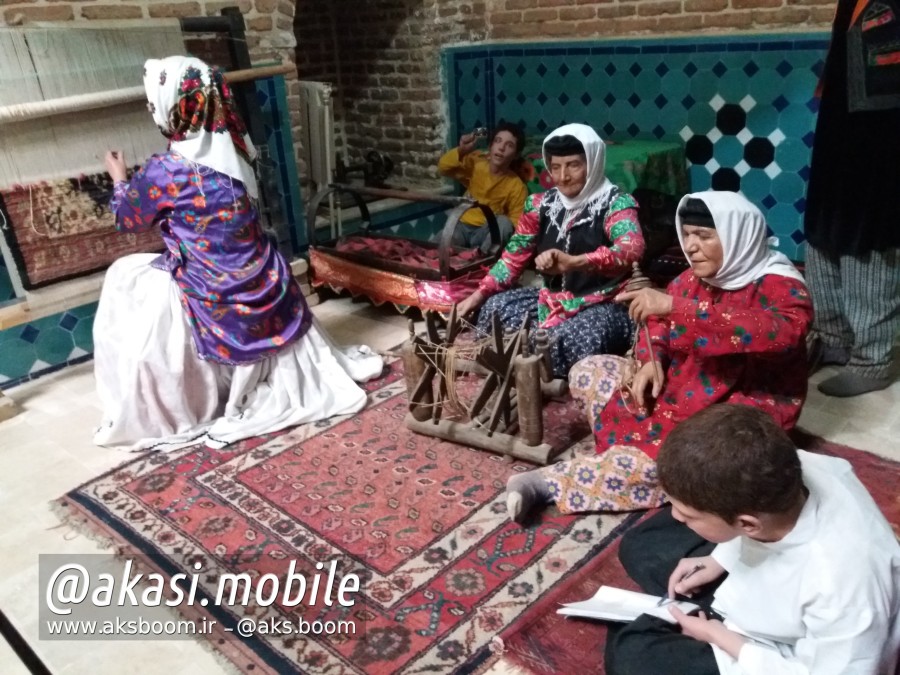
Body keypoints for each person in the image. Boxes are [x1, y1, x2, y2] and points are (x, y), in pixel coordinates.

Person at [93, 56, 383, 451]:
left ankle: (176, 394)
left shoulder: (166, 170)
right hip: (263, 278)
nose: (151, 108)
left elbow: (127, 219)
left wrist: (120, 179)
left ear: (177, 106)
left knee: (124, 277)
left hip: (211, 291)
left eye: (153, 101)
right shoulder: (236, 152)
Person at [505, 191, 812, 520]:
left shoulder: (783, 289)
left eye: (704, 236)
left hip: (735, 421)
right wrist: (652, 359)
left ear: (739, 237)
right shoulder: (695, 277)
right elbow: (658, 323)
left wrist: (675, 306)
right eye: (688, 234)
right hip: (681, 392)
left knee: (680, 468)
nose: (691, 246)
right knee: (588, 371)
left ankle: (548, 484)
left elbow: (779, 334)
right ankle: (625, 454)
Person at [606, 404, 900, 675]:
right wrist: (718, 559)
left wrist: (721, 638)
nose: (677, 517)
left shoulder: (842, 588)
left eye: (687, 514)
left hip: (782, 652)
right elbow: (753, 519)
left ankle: (695, 623)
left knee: (632, 654)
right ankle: (691, 614)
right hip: (761, 571)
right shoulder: (785, 467)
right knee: (642, 543)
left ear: (747, 524)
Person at [455, 123, 644, 377]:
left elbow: (631, 249)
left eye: (574, 165)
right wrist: (477, 296)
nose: (563, 176)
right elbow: (513, 256)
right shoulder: (540, 205)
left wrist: (575, 262)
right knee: (494, 310)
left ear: (593, 163)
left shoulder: (616, 204)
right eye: (555, 167)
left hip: (604, 302)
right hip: (552, 300)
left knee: (579, 336)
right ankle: (529, 360)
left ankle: (532, 366)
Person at [803, 0, 900, 397]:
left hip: (885, 125)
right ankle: (834, 337)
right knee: (824, 223)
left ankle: (872, 358)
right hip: (843, 120)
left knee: (868, 232)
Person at [437, 122, 528, 254]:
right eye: (498, 141)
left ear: (516, 155)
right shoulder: (476, 163)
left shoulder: (516, 186)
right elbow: (443, 168)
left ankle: (481, 262)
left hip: (486, 231)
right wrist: (462, 150)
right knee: (434, 251)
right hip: (461, 225)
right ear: (491, 146)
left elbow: (515, 222)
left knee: (504, 222)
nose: (501, 148)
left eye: (509, 145)